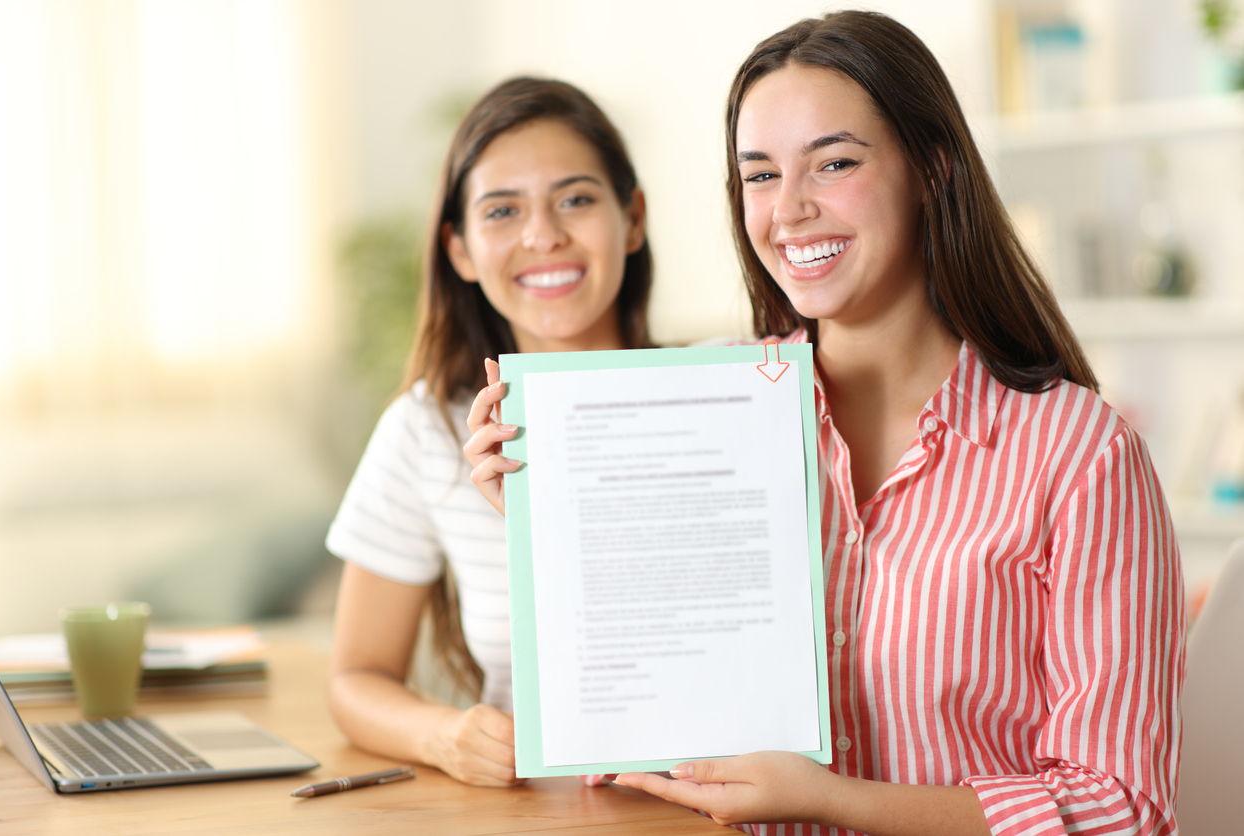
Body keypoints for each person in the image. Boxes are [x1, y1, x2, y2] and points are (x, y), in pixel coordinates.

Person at [468, 12, 1183, 835]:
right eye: (760, 176)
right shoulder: (700, 410)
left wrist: (832, 800)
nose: (790, 210)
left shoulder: (1082, 454)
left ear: (932, 168)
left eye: (834, 163)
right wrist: (562, 532)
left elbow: (1123, 808)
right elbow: (632, 747)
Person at [325, 76, 651, 788]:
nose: (544, 235)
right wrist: (443, 735)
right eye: (502, 211)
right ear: (461, 250)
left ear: (632, 218)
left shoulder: (740, 392)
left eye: (576, 199)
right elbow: (355, 678)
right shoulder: (426, 428)